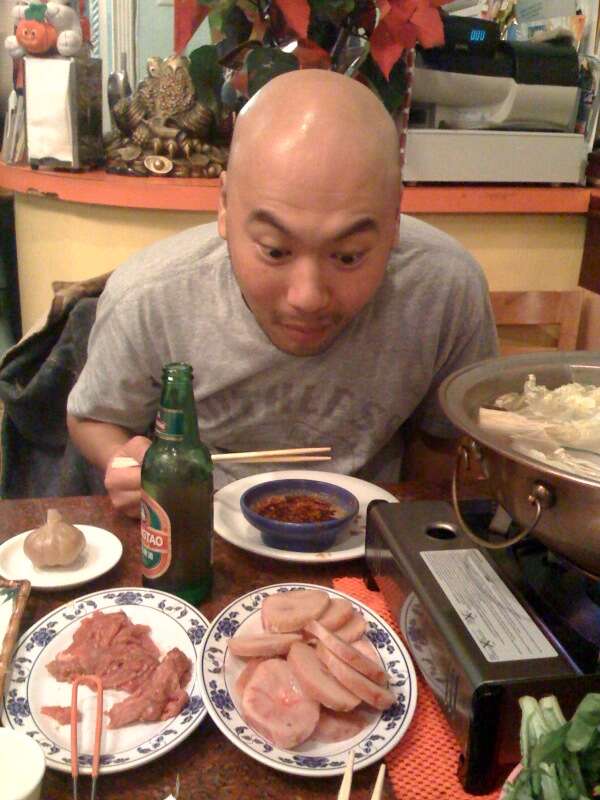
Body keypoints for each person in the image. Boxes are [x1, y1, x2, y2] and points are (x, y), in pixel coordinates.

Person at [67, 68, 498, 518]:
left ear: (394, 219)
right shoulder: (150, 297)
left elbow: (441, 440)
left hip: (366, 535)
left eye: (348, 256)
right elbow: (93, 417)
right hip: (202, 532)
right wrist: (123, 460)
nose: (307, 297)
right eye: (275, 250)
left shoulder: (445, 289)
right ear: (225, 205)